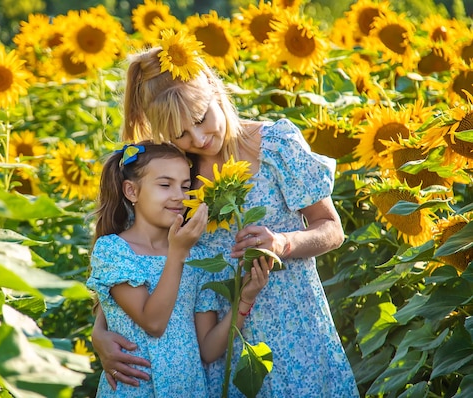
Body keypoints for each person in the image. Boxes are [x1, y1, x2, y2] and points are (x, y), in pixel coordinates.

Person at [91, 45, 360, 398]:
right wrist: (100, 331)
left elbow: (331, 228)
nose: (199, 139)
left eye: (202, 119)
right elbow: (135, 251)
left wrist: (283, 243)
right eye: (180, 134)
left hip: (293, 324)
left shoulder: (276, 144)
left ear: (216, 91)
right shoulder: (173, 171)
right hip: (211, 344)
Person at [87, 141, 270, 397]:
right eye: (165, 185)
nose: (179, 196)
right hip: (135, 391)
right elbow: (153, 322)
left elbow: (208, 349)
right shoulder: (115, 251)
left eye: (186, 186)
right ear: (131, 191)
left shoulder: (199, 258)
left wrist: (245, 297)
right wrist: (177, 253)